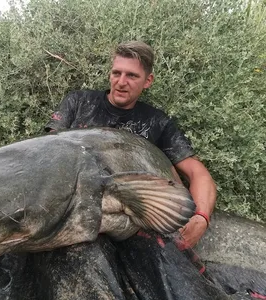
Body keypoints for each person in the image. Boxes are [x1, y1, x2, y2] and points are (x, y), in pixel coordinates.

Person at [45, 40, 217, 248]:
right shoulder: (79, 102)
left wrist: (200, 218)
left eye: (132, 75)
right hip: (69, 210)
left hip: (126, 221)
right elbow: (47, 153)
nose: (121, 82)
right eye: (116, 73)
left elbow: (197, 173)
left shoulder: (157, 122)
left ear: (148, 81)